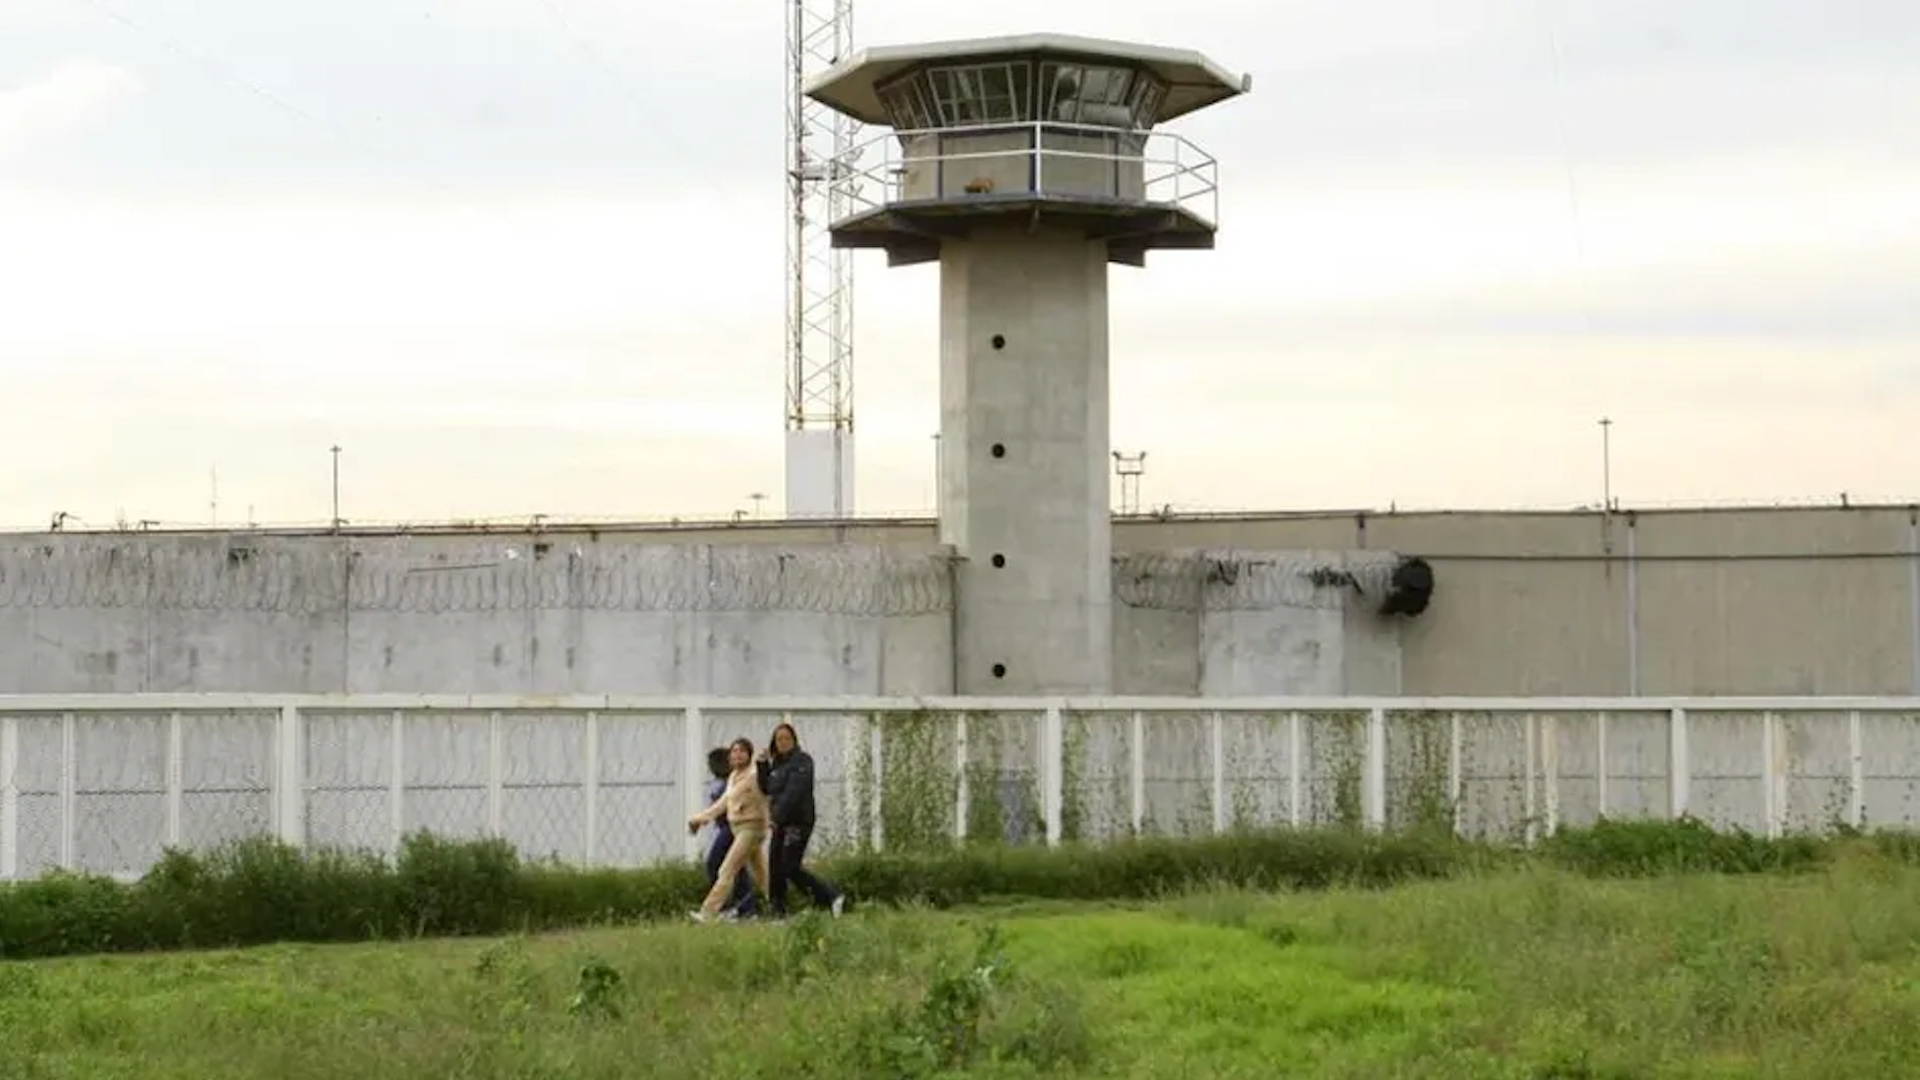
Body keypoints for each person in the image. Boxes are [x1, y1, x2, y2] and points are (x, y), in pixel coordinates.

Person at [756, 722, 847, 919]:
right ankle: (777, 910)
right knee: (775, 868)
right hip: (780, 823)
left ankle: (830, 896)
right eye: (778, 739)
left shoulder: (803, 762)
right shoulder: (777, 765)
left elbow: (793, 793)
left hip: (798, 822)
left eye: (786, 738)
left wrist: (776, 816)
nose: (782, 742)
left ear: (794, 740)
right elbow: (766, 788)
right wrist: (762, 765)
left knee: (790, 867)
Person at [686, 737, 772, 924]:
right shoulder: (733, 777)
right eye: (734, 751)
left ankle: (708, 913)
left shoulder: (754, 774)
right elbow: (722, 804)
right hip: (738, 827)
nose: (737, 754)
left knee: (727, 869)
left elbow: (766, 790)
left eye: (742, 751)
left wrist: (764, 763)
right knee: (761, 873)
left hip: (752, 827)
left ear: (749, 754)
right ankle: (776, 905)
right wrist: (700, 819)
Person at [701, 746, 757, 919]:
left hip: (733, 827)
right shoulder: (723, 782)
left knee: (715, 863)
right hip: (729, 827)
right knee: (737, 868)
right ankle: (745, 909)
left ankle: (727, 906)